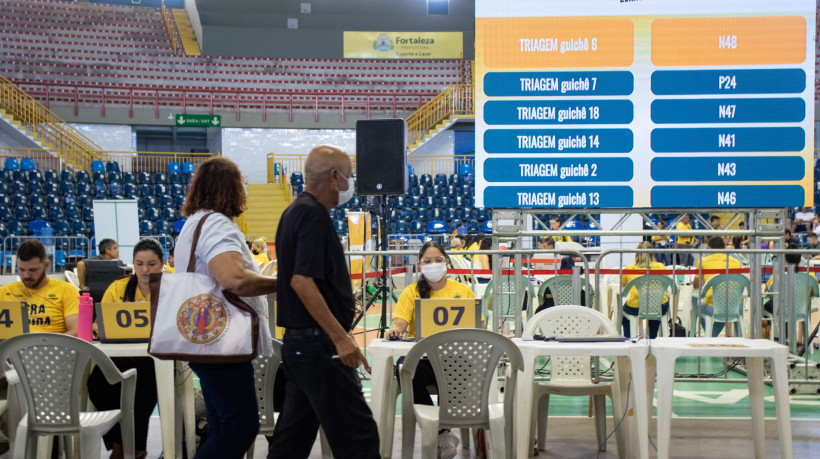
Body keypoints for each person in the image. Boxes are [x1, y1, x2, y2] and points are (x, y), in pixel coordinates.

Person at [269, 145, 378, 459]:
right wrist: (341, 338)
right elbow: (301, 281)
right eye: (350, 176)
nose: (351, 183)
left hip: (302, 346)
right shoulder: (312, 215)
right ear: (335, 177)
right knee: (359, 439)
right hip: (319, 347)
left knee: (291, 441)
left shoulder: (294, 212)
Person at [176, 157, 277, 459]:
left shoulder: (194, 223)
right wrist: (280, 283)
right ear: (232, 189)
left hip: (206, 339)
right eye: (242, 185)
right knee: (240, 427)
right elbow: (233, 279)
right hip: (223, 342)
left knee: (222, 425)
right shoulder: (217, 225)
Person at [386, 241, 475, 459]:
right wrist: (394, 329)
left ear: (446, 262)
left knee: (463, 370)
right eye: (427, 261)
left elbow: (475, 326)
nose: (433, 264)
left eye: (438, 260)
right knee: (403, 369)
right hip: (424, 361)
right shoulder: (411, 292)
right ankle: (442, 433)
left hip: (456, 360)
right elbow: (399, 322)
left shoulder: (463, 291)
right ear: (420, 265)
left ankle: (444, 426)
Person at [87, 238, 164, 459]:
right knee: (96, 383)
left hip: (154, 357)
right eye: (139, 263)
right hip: (121, 355)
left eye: (151, 264)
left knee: (145, 384)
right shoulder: (118, 287)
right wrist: (95, 327)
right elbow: (98, 323)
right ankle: (117, 444)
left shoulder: (170, 288)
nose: (145, 269)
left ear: (161, 264)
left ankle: (137, 447)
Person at [0, 239, 79, 334]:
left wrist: (51, 346)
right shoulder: (4, 292)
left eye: (32, 270)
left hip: (53, 347)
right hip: (14, 347)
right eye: (21, 269)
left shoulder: (66, 290)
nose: (26, 275)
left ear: (46, 265)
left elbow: (76, 330)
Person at [693, 236, 743, 337]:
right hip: (737, 306)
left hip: (713, 306)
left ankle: (710, 335)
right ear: (724, 248)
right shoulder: (736, 262)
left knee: (697, 306)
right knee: (722, 306)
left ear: (709, 247)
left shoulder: (703, 262)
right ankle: (712, 335)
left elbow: (696, 285)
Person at [620, 241, 669, 338]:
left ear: (637, 253)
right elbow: (665, 285)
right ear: (652, 253)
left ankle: (629, 338)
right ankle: (652, 337)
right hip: (658, 305)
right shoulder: (661, 266)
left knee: (625, 314)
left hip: (636, 305)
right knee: (657, 309)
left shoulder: (628, 269)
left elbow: (624, 286)